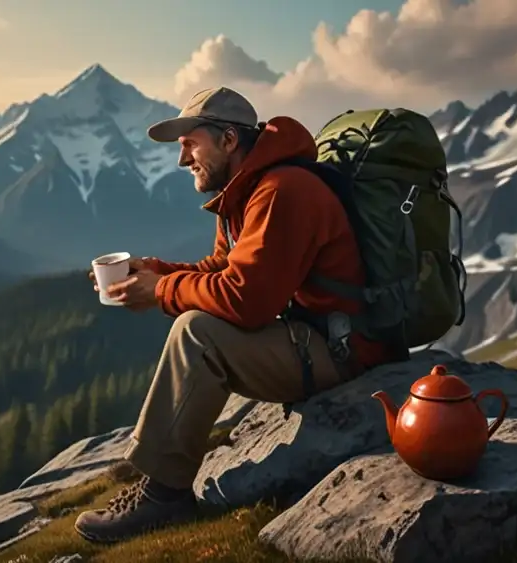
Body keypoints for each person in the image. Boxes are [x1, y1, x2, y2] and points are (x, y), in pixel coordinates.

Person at [74, 86, 391, 544]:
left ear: (227, 140)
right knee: (197, 321)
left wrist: (161, 290)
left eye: (190, 143)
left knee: (197, 333)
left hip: (345, 355)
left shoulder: (284, 191)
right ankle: (159, 479)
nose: (183, 160)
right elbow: (221, 270)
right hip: (309, 338)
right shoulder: (247, 192)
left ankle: (164, 496)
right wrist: (156, 270)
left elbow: (246, 300)